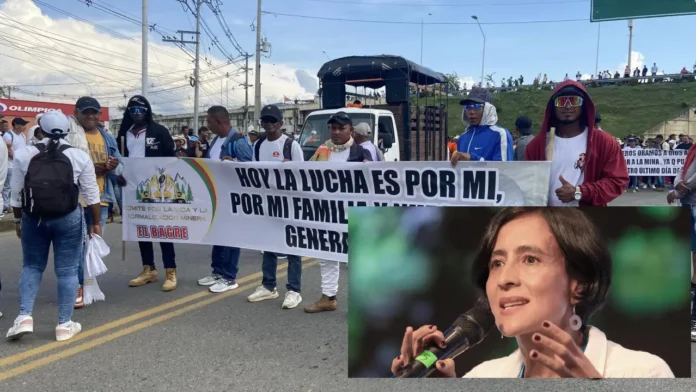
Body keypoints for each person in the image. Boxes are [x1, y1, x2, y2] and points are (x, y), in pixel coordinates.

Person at [392, 207, 674, 378]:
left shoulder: (642, 371)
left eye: (530, 259)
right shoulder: (483, 376)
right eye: (497, 263)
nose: (504, 279)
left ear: (580, 284)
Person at [5, 111, 102, 342]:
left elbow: (17, 195)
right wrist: (96, 223)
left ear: (41, 128)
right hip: (68, 217)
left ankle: (24, 317)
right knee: (67, 271)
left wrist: (18, 221)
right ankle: (64, 325)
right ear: (68, 130)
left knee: (31, 266)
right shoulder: (79, 156)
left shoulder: (23, 154)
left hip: (33, 218)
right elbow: (92, 194)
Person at [305, 111, 371, 313]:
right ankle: (328, 297)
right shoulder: (322, 151)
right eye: (333, 128)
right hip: (327, 212)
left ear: (350, 129)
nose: (336, 132)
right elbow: (305, 175)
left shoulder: (361, 153)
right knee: (327, 255)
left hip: (355, 213)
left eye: (341, 128)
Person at [525, 81, 628, 206]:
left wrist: (580, 192)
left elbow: (617, 181)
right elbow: (528, 185)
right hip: (548, 219)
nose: (568, 106)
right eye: (562, 101)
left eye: (574, 101)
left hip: (586, 218)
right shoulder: (537, 145)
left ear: (583, 106)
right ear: (553, 107)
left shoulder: (603, 142)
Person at [245, 104, 304, 309]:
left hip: (289, 204)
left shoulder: (290, 145)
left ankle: (294, 290)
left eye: (273, 121)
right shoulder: (259, 145)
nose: (269, 125)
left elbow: (302, 176)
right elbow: (255, 173)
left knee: (292, 247)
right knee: (268, 244)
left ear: (281, 123)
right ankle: (269, 286)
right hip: (268, 204)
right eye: (265, 121)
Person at [117, 95, 178, 291]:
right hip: (133, 188)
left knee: (162, 229)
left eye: (141, 109)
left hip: (156, 188)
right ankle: (149, 269)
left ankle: (171, 270)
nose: (137, 113)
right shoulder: (123, 134)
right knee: (142, 228)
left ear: (147, 110)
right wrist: (119, 174)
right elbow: (120, 159)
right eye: (133, 110)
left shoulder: (159, 131)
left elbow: (172, 158)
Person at [68, 96, 123, 308]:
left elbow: (121, 167)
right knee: (76, 246)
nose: (91, 116)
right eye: (86, 112)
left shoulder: (107, 137)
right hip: (75, 199)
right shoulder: (70, 135)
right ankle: (77, 287)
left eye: (95, 112)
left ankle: (88, 283)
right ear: (76, 113)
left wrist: (113, 165)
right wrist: (90, 168)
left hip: (101, 198)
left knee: (94, 244)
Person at [196, 106, 253, 293]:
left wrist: (234, 164)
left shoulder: (238, 142)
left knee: (231, 237)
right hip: (217, 198)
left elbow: (251, 170)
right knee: (218, 236)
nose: (207, 125)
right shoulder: (216, 141)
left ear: (219, 121)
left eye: (209, 121)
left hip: (233, 200)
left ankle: (230, 277)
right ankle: (218, 272)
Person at [451, 88, 513, 165]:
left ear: (488, 109)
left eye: (477, 106)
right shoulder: (462, 137)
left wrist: (473, 158)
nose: (471, 112)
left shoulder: (500, 134)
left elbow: (504, 169)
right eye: (468, 107)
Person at [3, 117, 28, 214]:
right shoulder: (8, 135)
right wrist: (19, 159)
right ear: (16, 125)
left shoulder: (22, 135)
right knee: (8, 187)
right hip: (10, 165)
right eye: (23, 124)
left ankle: (16, 204)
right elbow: (9, 151)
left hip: (20, 165)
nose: (24, 126)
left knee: (20, 185)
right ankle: (6, 205)